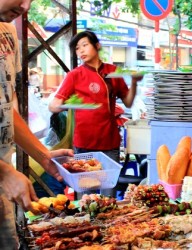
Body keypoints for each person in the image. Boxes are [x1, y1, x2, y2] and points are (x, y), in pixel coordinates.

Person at [0, 1, 74, 248]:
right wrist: (5, 173)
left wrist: (42, 155)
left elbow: (7, 107)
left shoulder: (8, 32)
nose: (25, 5)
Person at [49, 30, 141, 166]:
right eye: (77, 48)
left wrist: (134, 83)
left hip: (110, 142)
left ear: (97, 46)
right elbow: (53, 106)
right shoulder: (74, 75)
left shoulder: (113, 71)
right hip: (84, 143)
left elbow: (128, 103)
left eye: (85, 45)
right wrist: (70, 105)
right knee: (86, 185)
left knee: (109, 185)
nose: (81, 51)